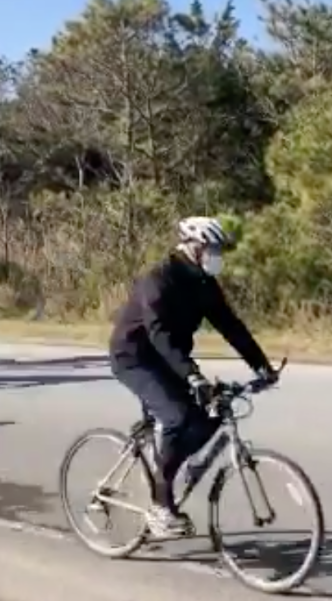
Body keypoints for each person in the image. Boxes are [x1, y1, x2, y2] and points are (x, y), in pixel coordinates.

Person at [108, 215, 278, 537]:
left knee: (213, 412)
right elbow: (159, 335)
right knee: (176, 417)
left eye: (219, 250)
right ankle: (160, 506)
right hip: (135, 358)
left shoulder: (203, 284)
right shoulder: (159, 280)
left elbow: (231, 326)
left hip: (170, 361)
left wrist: (261, 366)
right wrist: (192, 376)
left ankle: (173, 465)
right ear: (194, 247)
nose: (218, 256)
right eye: (213, 249)